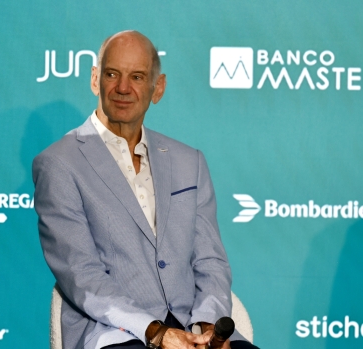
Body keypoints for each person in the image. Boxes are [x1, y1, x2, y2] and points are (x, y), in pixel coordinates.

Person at [33, 31, 259, 349]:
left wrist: (207, 328)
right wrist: (156, 332)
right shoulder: (58, 163)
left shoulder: (188, 161)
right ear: (95, 78)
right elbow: (81, 275)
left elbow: (210, 260)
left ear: (158, 88)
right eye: (112, 74)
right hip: (115, 332)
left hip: (192, 326)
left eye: (137, 77)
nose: (123, 88)